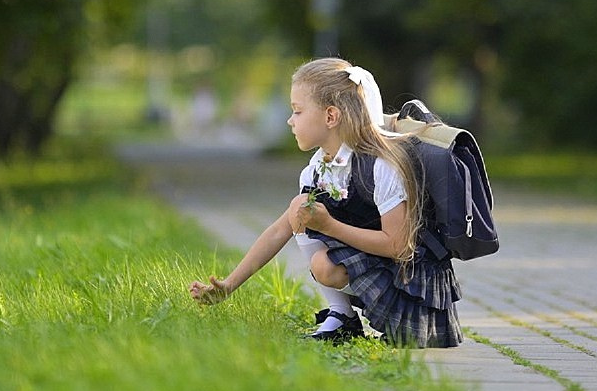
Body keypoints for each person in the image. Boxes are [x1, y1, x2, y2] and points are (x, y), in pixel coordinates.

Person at [188, 57, 462, 348]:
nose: (290, 121)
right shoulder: (319, 167)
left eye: (297, 111)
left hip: (411, 285)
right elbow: (280, 230)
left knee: (321, 253)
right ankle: (342, 316)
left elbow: (399, 245)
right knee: (300, 209)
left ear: (331, 116)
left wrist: (329, 225)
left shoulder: (382, 166)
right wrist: (228, 286)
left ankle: (366, 317)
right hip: (381, 266)